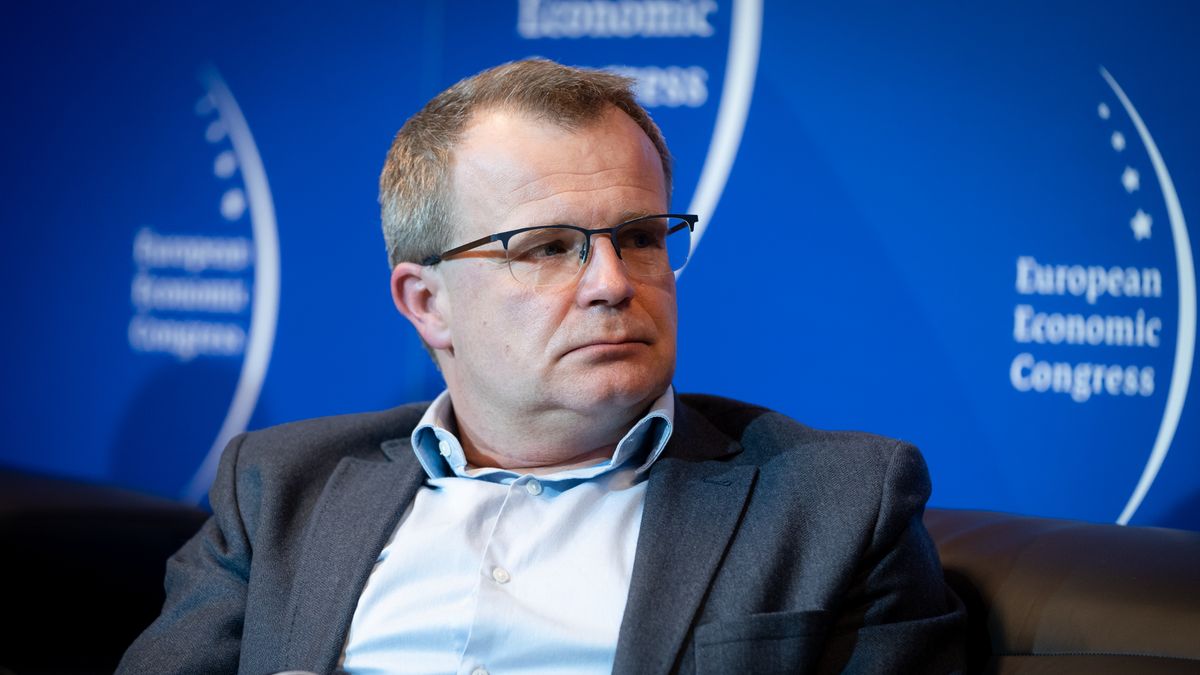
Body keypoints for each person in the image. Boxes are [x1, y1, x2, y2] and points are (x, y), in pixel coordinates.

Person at [119, 58, 964, 674]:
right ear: (426, 302)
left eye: (638, 238)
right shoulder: (277, 488)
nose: (611, 283)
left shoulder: (836, 504)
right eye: (549, 248)